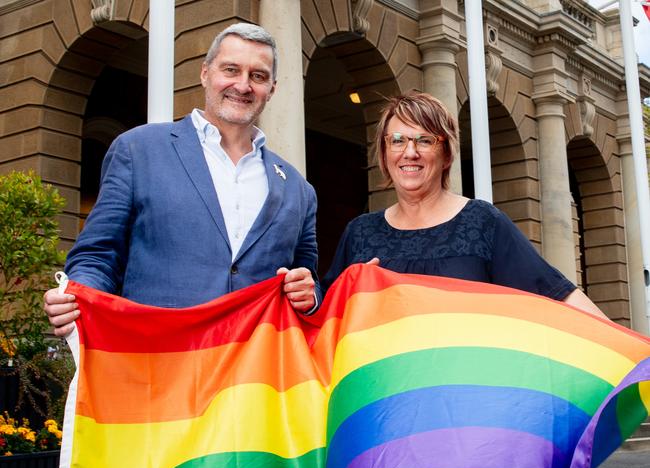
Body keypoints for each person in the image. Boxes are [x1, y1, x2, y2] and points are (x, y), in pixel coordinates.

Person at [44, 23, 320, 335]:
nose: (243, 85)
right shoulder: (138, 150)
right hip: (158, 361)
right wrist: (76, 296)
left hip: (256, 371)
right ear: (205, 73)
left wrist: (308, 296)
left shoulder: (299, 189)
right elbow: (98, 255)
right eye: (231, 69)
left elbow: (308, 278)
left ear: (272, 88)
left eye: (258, 76)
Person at [323, 91, 607, 320]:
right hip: (384, 389)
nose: (410, 152)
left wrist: (633, 356)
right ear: (385, 155)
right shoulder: (360, 233)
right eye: (397, 141)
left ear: (446, 155)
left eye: (425, 140)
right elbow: (326, 313)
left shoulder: (482, 222)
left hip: (464, 389)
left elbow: (557, 295)